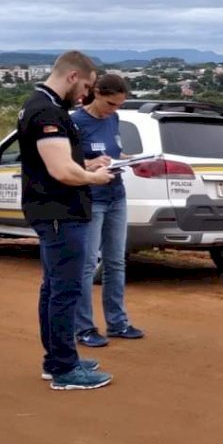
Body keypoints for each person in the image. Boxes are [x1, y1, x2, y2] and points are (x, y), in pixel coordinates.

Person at [18, 50, 115, 390]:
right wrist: (95, 178)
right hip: (60, 213)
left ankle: (57, 359)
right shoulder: (46, 111)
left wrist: (85, 165)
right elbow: (60, 170)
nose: (85, 94)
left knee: (54, 288)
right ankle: (64, 369)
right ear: (73, 76)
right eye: (86, 85)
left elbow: (54, 160)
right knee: (66, 291)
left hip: (55, 212)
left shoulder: (43, 105)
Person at [72, 74, 145, 347]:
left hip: (116, 195)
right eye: (110, 103)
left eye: (119, 105)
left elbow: (116, 152)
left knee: (115, 261)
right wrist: (88, 164)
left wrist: (131, 160)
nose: (113, 110)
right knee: (89, 264)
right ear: (98, 94)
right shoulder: (76, 122)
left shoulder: (113, 120)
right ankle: (84, 327)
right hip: (92, 198)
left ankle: (118, 322)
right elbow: (64, 161)